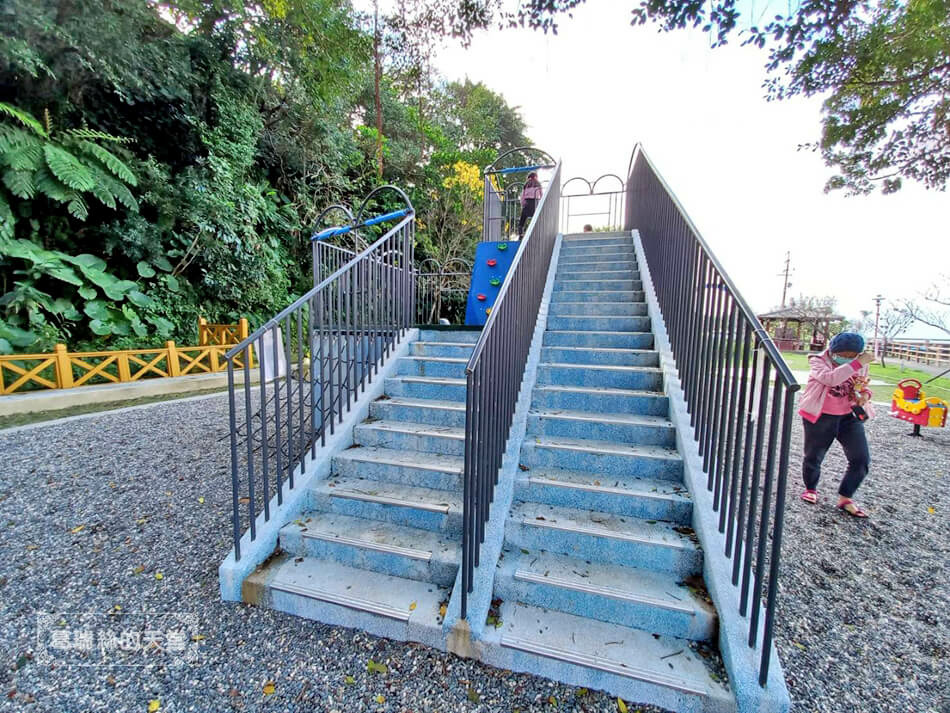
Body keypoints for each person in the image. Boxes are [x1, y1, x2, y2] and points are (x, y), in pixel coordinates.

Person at [798, 332, 875, 517]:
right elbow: (830, 379)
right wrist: (856, 363)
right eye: (844, 355)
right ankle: (811, 489)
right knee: (814, 456)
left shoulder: (860, 363)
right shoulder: (818, 361)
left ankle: (845, 497)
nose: (848, 359)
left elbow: (863, 385)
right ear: (833, 351)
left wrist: (865, 394)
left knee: (861, 459)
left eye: (852, 356)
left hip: (849, 416)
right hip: (821, 415)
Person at [517, 172, 543, 238]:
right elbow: (541, 194)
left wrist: (522, 203)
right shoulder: (538, 184)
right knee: (536, 218)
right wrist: (541, 202)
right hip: (535, 202)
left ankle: (520, 233)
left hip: (527, 202)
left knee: (522, 219)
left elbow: (522, 195)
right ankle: (536, 232)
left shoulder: (526, 184)